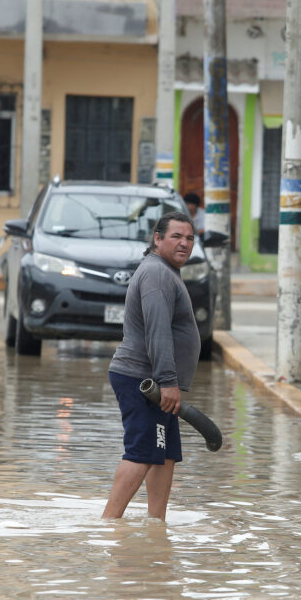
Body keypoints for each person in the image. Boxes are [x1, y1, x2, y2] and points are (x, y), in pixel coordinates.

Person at [103, 210, 201, 520]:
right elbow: (157, 332)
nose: (184, 243)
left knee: (164, 455)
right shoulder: (158, 274)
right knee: (144, 452)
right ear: (157, 239)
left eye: (190, 238)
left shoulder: (165, 270)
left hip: (156, 382)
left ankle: (156, 525)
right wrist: (168, 382)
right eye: (176, 236)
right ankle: (108, 523)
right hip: (145, 381)